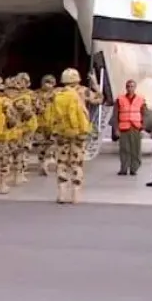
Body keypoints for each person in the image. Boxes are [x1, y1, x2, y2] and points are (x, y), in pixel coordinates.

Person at [42, 67, 95, 204]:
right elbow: (100, 99)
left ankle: (61, 193)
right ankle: (76, 194)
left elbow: (44, 101)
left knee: (62, 162)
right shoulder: (83, 91)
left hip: (61, 131)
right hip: (78, 132)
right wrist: (95, 83)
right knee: (77, 162)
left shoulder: (57, 92)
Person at [113, 79, 148, 177]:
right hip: (124, 128)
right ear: (126, 87)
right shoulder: (120, 99)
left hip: (136, 128)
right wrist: (116, 128)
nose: (130, 88)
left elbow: (145, 114)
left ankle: (134, 168)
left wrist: (143, 127)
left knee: (135, 149)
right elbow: (115, 115)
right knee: (124, 149)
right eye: (128, 86)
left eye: (132, 86)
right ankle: (123, 168)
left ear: (135, 87)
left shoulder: (140, 99)